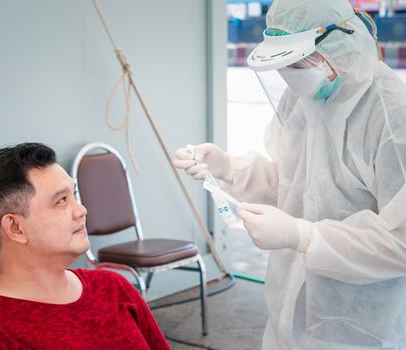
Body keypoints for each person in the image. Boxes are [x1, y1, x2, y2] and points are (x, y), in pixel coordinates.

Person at [174, 0, 406, 349]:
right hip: (290, 315)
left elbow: (400, 242)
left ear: (339, 43)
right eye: (285, 65)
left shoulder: (391, 116)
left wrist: (304, 235)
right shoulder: (304, 96)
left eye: (299, 62)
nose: (292, 75)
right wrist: (228, 167)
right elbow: (293, 183)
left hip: (364, 324)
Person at [0, 143, 170, 350]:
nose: (82, 210)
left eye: (74, 195)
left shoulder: (114, 289)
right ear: (15, 227)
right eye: (61, 201)